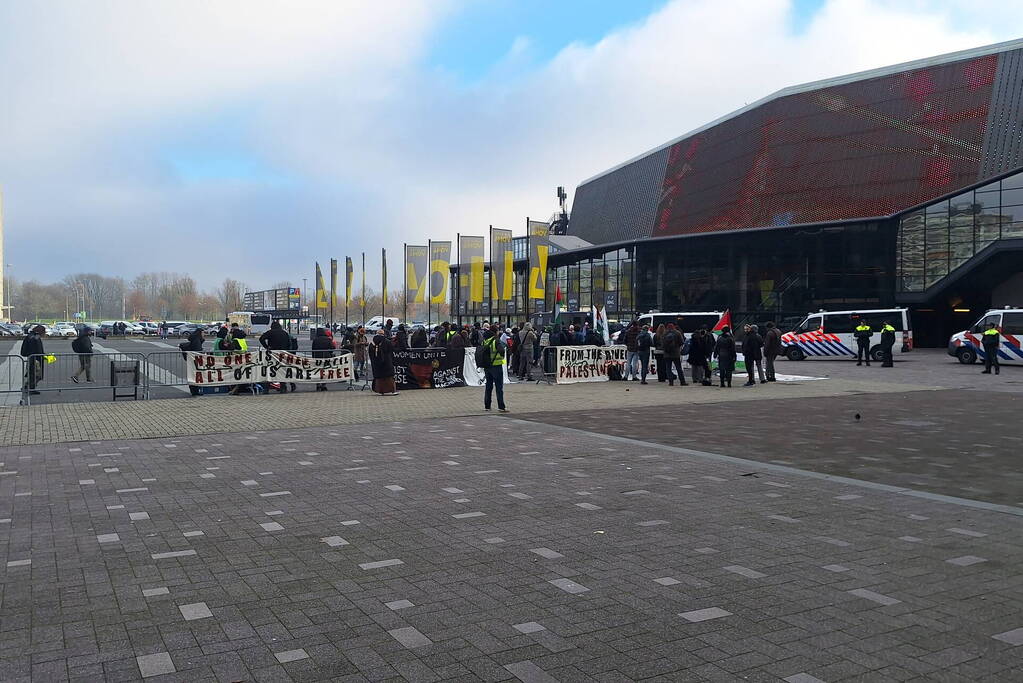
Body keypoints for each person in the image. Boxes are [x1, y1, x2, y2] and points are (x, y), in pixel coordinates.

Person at [259, 321, 293, 393]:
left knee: (270, 370)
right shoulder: (285, 333)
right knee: (282, 370)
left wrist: (267, 347)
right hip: (282, 354)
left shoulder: (270, 332)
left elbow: (261, 338)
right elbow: (289, 343)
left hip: (272, 353)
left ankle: (266, 388)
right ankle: (283, 387)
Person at [481, 328, 508, 412]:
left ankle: (487, 406)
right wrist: (502, 357)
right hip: (496, 366)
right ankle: (501, 406)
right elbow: (501, 350)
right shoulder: (495, 341)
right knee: (499, 387)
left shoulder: (484, 342)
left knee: (488, 386)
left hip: (487, 366)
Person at [369, 331, 398, 395]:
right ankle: (393, 390)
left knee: (380, 378)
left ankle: (381, 391)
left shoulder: (373, 342)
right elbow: (391, 350)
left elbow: (370, 353)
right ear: (383, 334)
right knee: (389, 378)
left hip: (376, 363)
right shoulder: (387, 341)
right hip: (387, 362)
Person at [20, 325, 46, 395]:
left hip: (31, 357)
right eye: (44, 332)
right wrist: (43, 355)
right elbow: (38, 349)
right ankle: (31, 388)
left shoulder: (30, 336)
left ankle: (28, 387)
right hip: (35, 358)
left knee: (32, 374)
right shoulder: (36, 338)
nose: (45, 333)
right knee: (36, 375)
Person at [181, 327, 205, 396]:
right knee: (195, 375)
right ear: (200, 333)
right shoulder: (197, 341)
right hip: (194, 360)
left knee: (193, 375)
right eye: (203, 333)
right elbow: (197, 351)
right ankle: (195, 391)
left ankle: (194, 390)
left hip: (192, 360)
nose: (204, 334)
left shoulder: (195, 339)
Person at [311, 327, 336, 391]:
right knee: (325, 371)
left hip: (317, 356)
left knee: (317, 371)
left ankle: (318, 384)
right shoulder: (328, 339)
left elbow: (313, 349)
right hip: (326, 356)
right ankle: (323, 384)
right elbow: (332, 347)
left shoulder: (315, 340)